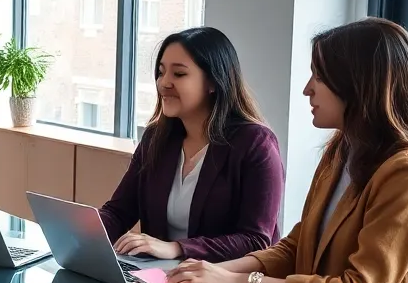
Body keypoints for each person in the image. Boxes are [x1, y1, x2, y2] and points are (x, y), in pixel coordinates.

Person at [165, 18, 408, 283]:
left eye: (319, 77)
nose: (308, 89)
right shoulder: (342, 151)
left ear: (359, 85)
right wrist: (209, 272)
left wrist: (237, 281)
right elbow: (298, 246)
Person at [99, 27, 284, 261]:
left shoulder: (255, 144)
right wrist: (80, 235)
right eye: (161, 72)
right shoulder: (156, 138)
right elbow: (119, 212)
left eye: (179, 74)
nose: (163, 83)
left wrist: (177, 248)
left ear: (214, 82)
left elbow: (255, 240)